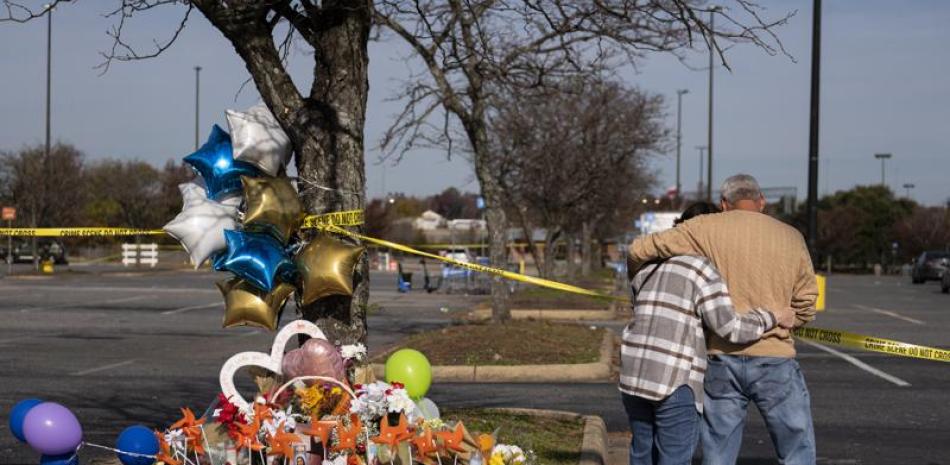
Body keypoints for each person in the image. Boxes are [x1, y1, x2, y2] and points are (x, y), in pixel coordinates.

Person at [628, 174, 819, 465]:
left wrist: (639, 286)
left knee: (718, 452)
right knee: (796, 448)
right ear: (762, 201)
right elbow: (806, 302)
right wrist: (789, 320)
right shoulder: (791, 236)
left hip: (721, 357)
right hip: (775, 357)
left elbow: (639, 249)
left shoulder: (704, 227)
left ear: (723, 204)